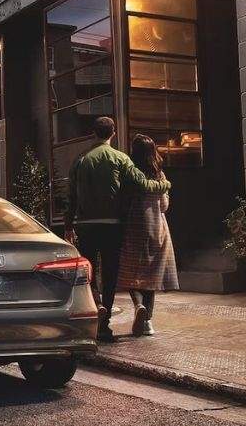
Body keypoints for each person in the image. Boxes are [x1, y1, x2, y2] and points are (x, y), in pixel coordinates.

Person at [64, 117, 171, 343]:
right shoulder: (121, 158)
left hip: (85, 225)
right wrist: (165, 185)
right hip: (112, 224)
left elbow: (71, 197)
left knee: (90, 270)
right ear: (113, 133)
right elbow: (143, 184)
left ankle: (98, 304)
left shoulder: (80, 160)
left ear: (93, 133)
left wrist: (68, 225)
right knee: (110, 273)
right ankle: (104, 326)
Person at [121, 134, 179, 336]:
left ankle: (138, 306)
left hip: (133, 227)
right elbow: (164, 205)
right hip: (157, 227)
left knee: (131, 274)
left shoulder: (129, 173)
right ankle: (148, 323)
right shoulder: (159, 174)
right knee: (151, 275)